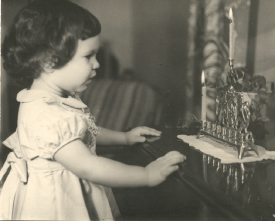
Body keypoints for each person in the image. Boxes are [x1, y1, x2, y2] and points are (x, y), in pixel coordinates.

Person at [0, 0, 186, 220]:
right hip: (56, 205)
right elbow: (89, 167)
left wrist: (124, 138)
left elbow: (83, 132)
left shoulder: (55, 99)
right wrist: (146, 175)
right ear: (49, 61)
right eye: (88, 56)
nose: (97, 64)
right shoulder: (46, 115)